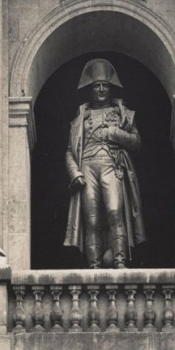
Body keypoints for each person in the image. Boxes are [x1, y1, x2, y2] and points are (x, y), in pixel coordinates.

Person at [64, 58, 146, 269]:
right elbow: (70, 151)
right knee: (91, 219)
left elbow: (136, 142)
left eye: (105, 85)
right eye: (96, 86)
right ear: (89, 89)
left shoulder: (123, 114)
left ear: (111, 88)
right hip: (87, 166)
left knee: (114, 211)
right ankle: (94, 265)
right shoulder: (80, 117)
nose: (101, 89)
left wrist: (114, 132)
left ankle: (119, 261)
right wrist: (74, 172)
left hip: (112, 164)